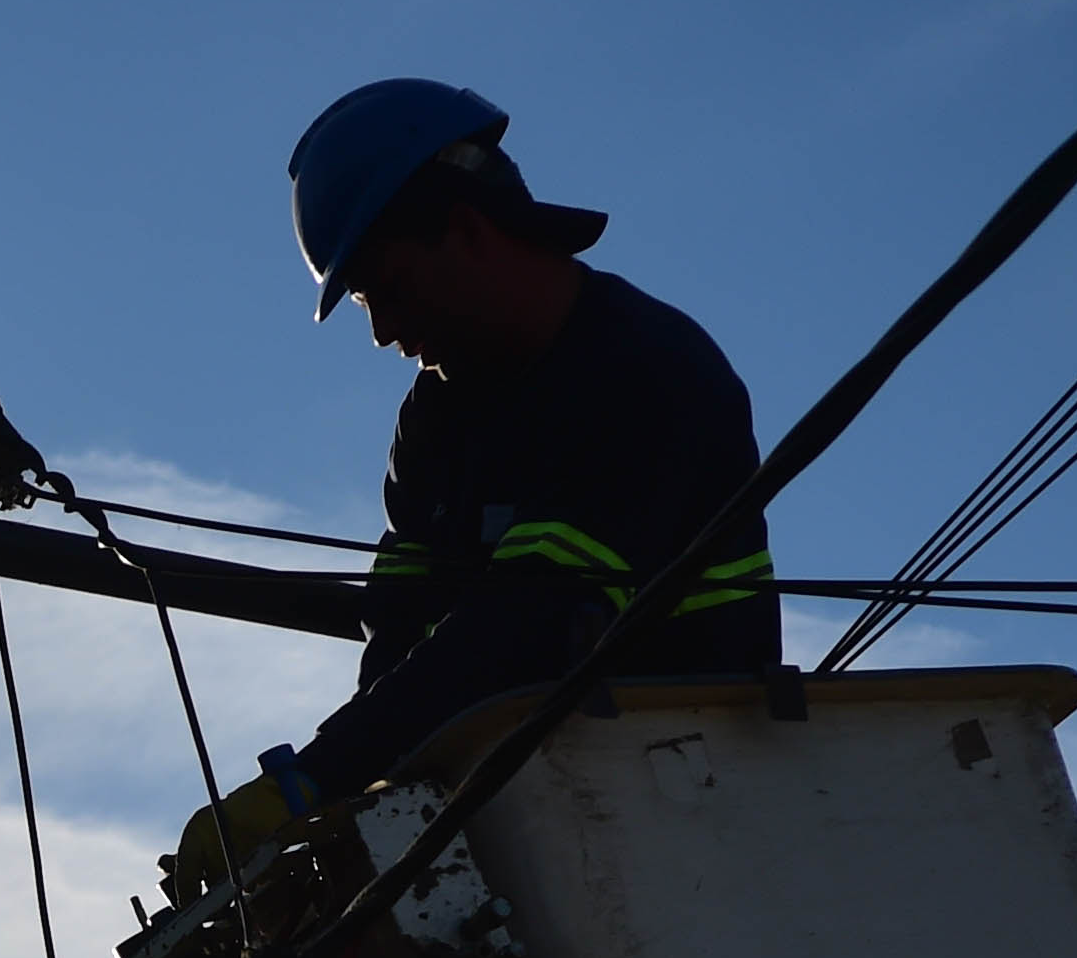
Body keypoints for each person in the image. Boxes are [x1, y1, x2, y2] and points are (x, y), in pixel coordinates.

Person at [273, 79, 781, 801]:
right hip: (537, 810)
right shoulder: (435, 422)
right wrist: (354, 794)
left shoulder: (648, 371)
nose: (382, 331)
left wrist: (319, 776)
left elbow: (533, 623)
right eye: (361, 303)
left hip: (692, 799)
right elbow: (396, 636)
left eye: (385, 287)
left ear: (468, 230)